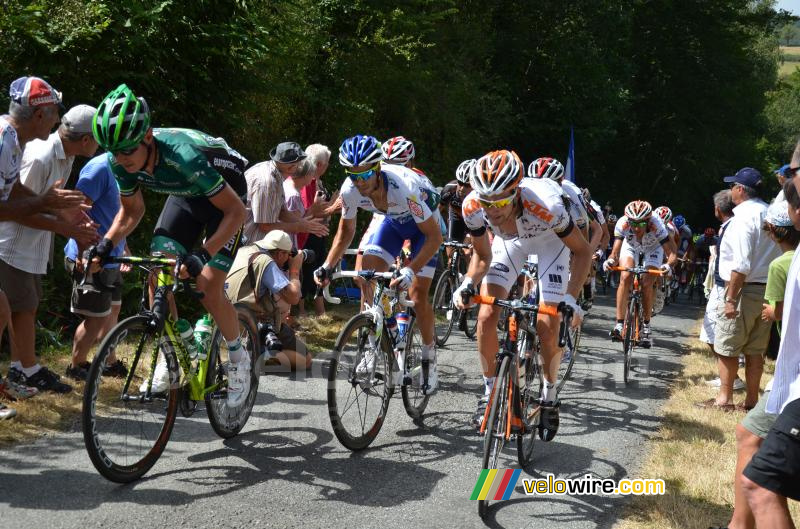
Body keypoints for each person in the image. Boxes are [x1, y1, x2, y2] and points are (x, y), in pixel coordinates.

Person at [88, 83, 252, 407]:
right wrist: (105, 244)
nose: (121, 159)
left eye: (127, 150)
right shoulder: (119, 160)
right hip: (188, 195)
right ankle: (179, 351)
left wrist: (202, 254)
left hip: (226, 200)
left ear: (147, 137)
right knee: (157, 268)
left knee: (206, 285)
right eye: (115, 152)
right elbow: (131, 212)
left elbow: (236, 212)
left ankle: (239, 358)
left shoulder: (184, 157)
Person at [452, 150, 590, 435]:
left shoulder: (546, 204)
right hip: (509, 243)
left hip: (551, 243)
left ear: (516, 191)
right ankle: (489, 392)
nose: (492, 210)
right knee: (487, 314)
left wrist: (571, 298)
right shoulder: (471, 207)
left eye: (501, 200)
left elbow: (582, 250)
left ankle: (549, 395)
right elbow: (481, 255)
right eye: (486, 201)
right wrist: (468, 283)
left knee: (546, 325)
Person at [314, 135, 443, 394]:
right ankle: (372, 345)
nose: (359, 182)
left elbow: (434, 237)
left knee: (417, 297)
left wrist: (409, 269)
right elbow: (345, 231)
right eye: (353, 175)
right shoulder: (351, 189)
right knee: (366, 274)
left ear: (377, 169)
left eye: (364, 175)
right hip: (392, 223)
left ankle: (430, 359)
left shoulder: (404, 186)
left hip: (425, 229)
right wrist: (328, 266)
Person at [0, 104, 102, 394]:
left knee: (27, 305)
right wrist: (67, 229)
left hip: (32, 246)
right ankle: (27, 370)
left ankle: (21, 368)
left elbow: (51, 202)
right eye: (97, 138)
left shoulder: (66, 156)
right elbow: (19, 209)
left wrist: (76, 220)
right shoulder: (42, 155)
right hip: (12, 244)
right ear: (85, 140)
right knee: (22, 307)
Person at [740, 177, 800, 529]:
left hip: (794, 384)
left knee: (759, 482)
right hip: (789, 379)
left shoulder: (784, 264)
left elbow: (776, 311)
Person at [699, 168, 779, 411]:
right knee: (756, 350)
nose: (731, 189)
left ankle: (725, 399)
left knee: (727, 348)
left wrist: (731, 298)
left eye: (733, 185)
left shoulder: (743, 217)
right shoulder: (771, 212)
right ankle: (752, 400)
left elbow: (741, 263)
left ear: (741, 190)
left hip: (743, 289)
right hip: (767, 289)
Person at [63, 153, 131, 381]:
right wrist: (84, 254)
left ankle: (109, 363)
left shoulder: (128, 166)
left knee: (112, 311)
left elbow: (120, 214)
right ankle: (77, 365)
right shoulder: (99, 168)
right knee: (95, 318)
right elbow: (75, 212)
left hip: (113, 256)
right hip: (92, 258)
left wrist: (125, 248)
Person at [226, 230, 311, 370]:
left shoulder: (244, 250)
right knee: (305, 360)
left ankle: (254, 352)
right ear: (280, 254)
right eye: (288, 255)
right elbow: (294, 297)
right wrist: (294, 271)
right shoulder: (265, 262)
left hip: (230, 318)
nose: (288, 259)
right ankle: (260, 354)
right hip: (256, 323)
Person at [604, 200, 677, 348]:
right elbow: (615, 252)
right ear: (628, 220)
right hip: (631, 245)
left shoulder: (658, 226)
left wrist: (668, 265)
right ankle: (619, 324)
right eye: (634, 224)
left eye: (642, 224)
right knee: (625, 276)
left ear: (648, 221)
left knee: (646, 283)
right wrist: (611, 260)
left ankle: (646, 325)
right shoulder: (622, 223)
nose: (637, 228)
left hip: (653, 248)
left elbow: (672, 254)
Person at [700, 190, 745, 391]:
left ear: (717, 209)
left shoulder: (730, 227)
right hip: (724, 284)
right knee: (714, 333)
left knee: (712, 332)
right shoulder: (729, 225)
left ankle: (732, 377)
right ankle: (729, 375)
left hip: (723, 285)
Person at [242, 141, 329, 244]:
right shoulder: (268, 183)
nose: (301, 167)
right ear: (290, 167)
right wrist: (298, 227)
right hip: (248, 244)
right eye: (299, 163)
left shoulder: (275, 174)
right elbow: (265, 225)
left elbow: (282, 211)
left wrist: (305, 223)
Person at [299, 144, 337, 317]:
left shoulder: (317, 181)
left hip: (318, 232)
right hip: (309, 234)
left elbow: (316, 209)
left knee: (319, 270)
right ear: (320, 164)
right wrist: (333, 207)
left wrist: (332, 206)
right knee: (306, 272)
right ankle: (299, 313)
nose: (328, 166)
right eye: (327, 162)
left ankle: (320, 311)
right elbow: (309, 211)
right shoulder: (308, 181)